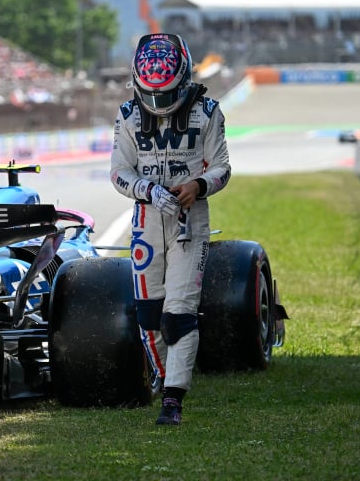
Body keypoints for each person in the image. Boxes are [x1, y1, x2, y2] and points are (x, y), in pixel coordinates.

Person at [110, 33, 231, 426]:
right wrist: (145, 189)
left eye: (167, 95)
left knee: (179, 313)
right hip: (146, 221)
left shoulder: (208, 112)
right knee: (149, 314)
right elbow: (118, 172)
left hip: (189, 220)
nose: (159, 105)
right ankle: (165, 378)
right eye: (152, 96)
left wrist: (198, 186)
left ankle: (173, 400)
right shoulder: (127, 116)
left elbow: (222, 167)